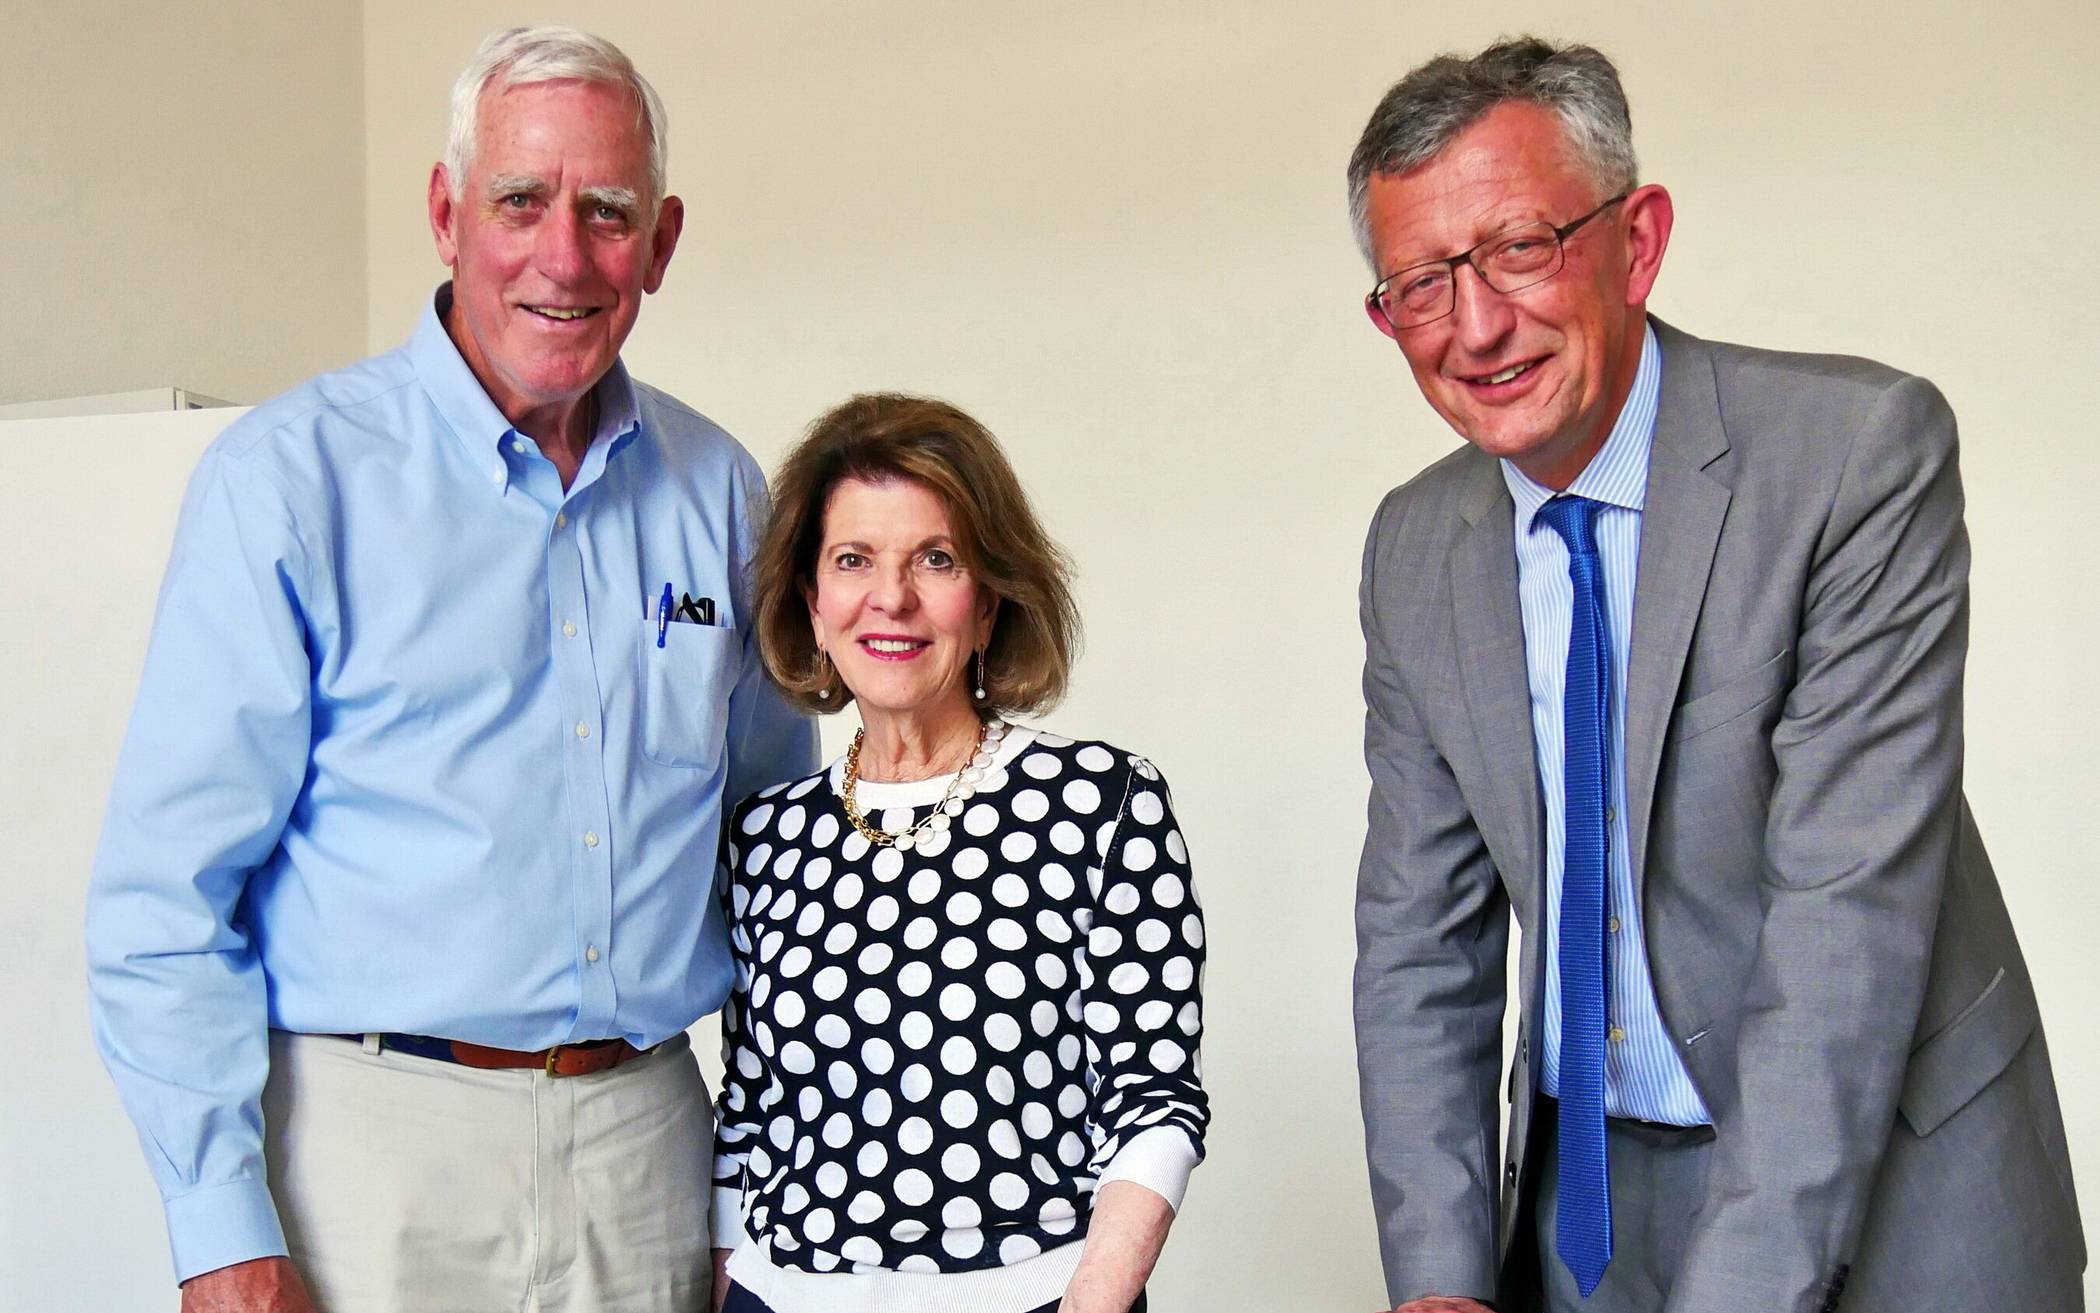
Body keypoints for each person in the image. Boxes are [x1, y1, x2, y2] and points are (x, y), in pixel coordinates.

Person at [85, 25, 815, 1313]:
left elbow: (781, 877)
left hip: (649, 1145)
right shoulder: (291, 481)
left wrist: (755, 1194)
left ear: (662, 240)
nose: (564, 256)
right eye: (520, 200)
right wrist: (220, 1228)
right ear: (444, 212)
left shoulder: (725, 494)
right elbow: (164, 898)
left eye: (608, 212)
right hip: (368, 1166)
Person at [1346, 36, 2082, 1313]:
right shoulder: (1416, 547)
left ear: (1637, 242)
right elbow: (1421, 938)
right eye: (1419, 283)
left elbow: (1843, 923)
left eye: (1521, 248)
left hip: (1903, 1185)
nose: (1475, 326)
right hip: (1597, 1213)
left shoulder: (1854, 454)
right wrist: (1442, 1279)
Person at [706, 393, 1208, 1313]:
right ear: (812, 606)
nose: (890, 597)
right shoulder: (766, 834)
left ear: (988, 604)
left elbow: (1156, 1101)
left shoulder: (1101, 803)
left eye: (935, 560)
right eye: (852, 560)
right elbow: (746, 1119)